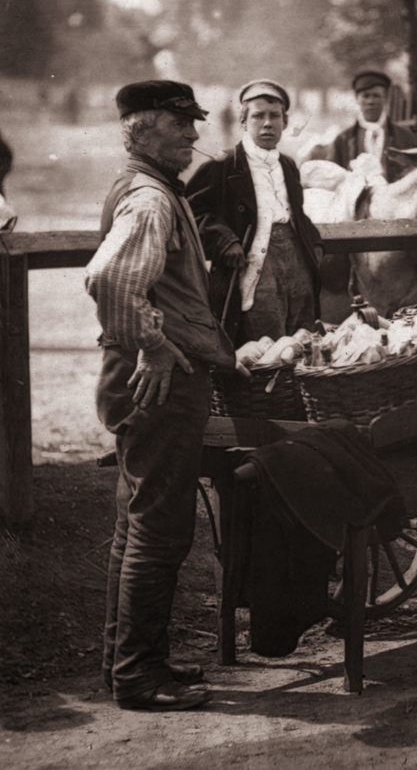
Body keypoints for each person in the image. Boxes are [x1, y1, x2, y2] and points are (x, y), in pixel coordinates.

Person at [85, 80, 236, 711]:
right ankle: (139, 677)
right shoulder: (150, 199)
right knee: (158, 528)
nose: (195, 136)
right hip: (158, 383)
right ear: (143, 129)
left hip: (148, 381)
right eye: (182, 126)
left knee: (135, 524)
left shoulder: (144, 187)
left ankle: (128, 663)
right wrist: (151, 345)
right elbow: (111, 278)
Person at [187, 79, 323, 344]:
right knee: (264, 345)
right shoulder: (224, 164)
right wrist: (224, 240)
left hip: (296, 264)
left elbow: (296, 213)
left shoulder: (288, 165)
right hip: (253, 267)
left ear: (285, 122)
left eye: (275, 116)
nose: (267, 123)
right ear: (243, 122)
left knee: (302, 338)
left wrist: (314, 243)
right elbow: (191, 211)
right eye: (258, 116)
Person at [327, 70, 417, 183]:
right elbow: (332, 177)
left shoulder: (405, 138)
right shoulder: (343, 140)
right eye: (365, 96)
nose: (371, 101)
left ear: (385, 99)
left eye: (376, 96)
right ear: (357, 99)